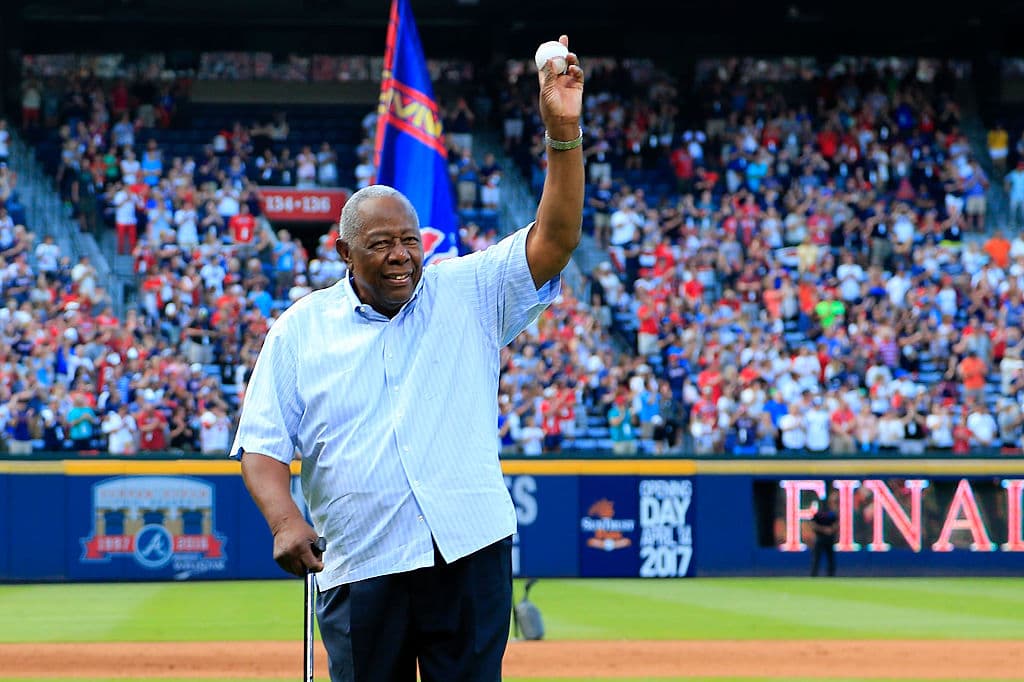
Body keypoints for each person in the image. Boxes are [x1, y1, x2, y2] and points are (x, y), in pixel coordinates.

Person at [231, 36, 584, 682]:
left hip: (469, 550)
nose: (400, 254)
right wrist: (284, 521)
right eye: (380, 244)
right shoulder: (299, 331)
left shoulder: (468, 291)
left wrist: (563, 132)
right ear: (344, 255)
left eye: (408, 240)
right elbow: (261, 446)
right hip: (360, 563)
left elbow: (556, 238)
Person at [810, 490, 838, 577]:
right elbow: (813, 525)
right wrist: (826, 529)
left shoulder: (828, 514)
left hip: (825, 538)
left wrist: (829, 530)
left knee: (828, 558)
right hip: (822, 538)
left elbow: (836, 524)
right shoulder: (821, 514)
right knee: (820, 558)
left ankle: (828, 574)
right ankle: (816, 574)